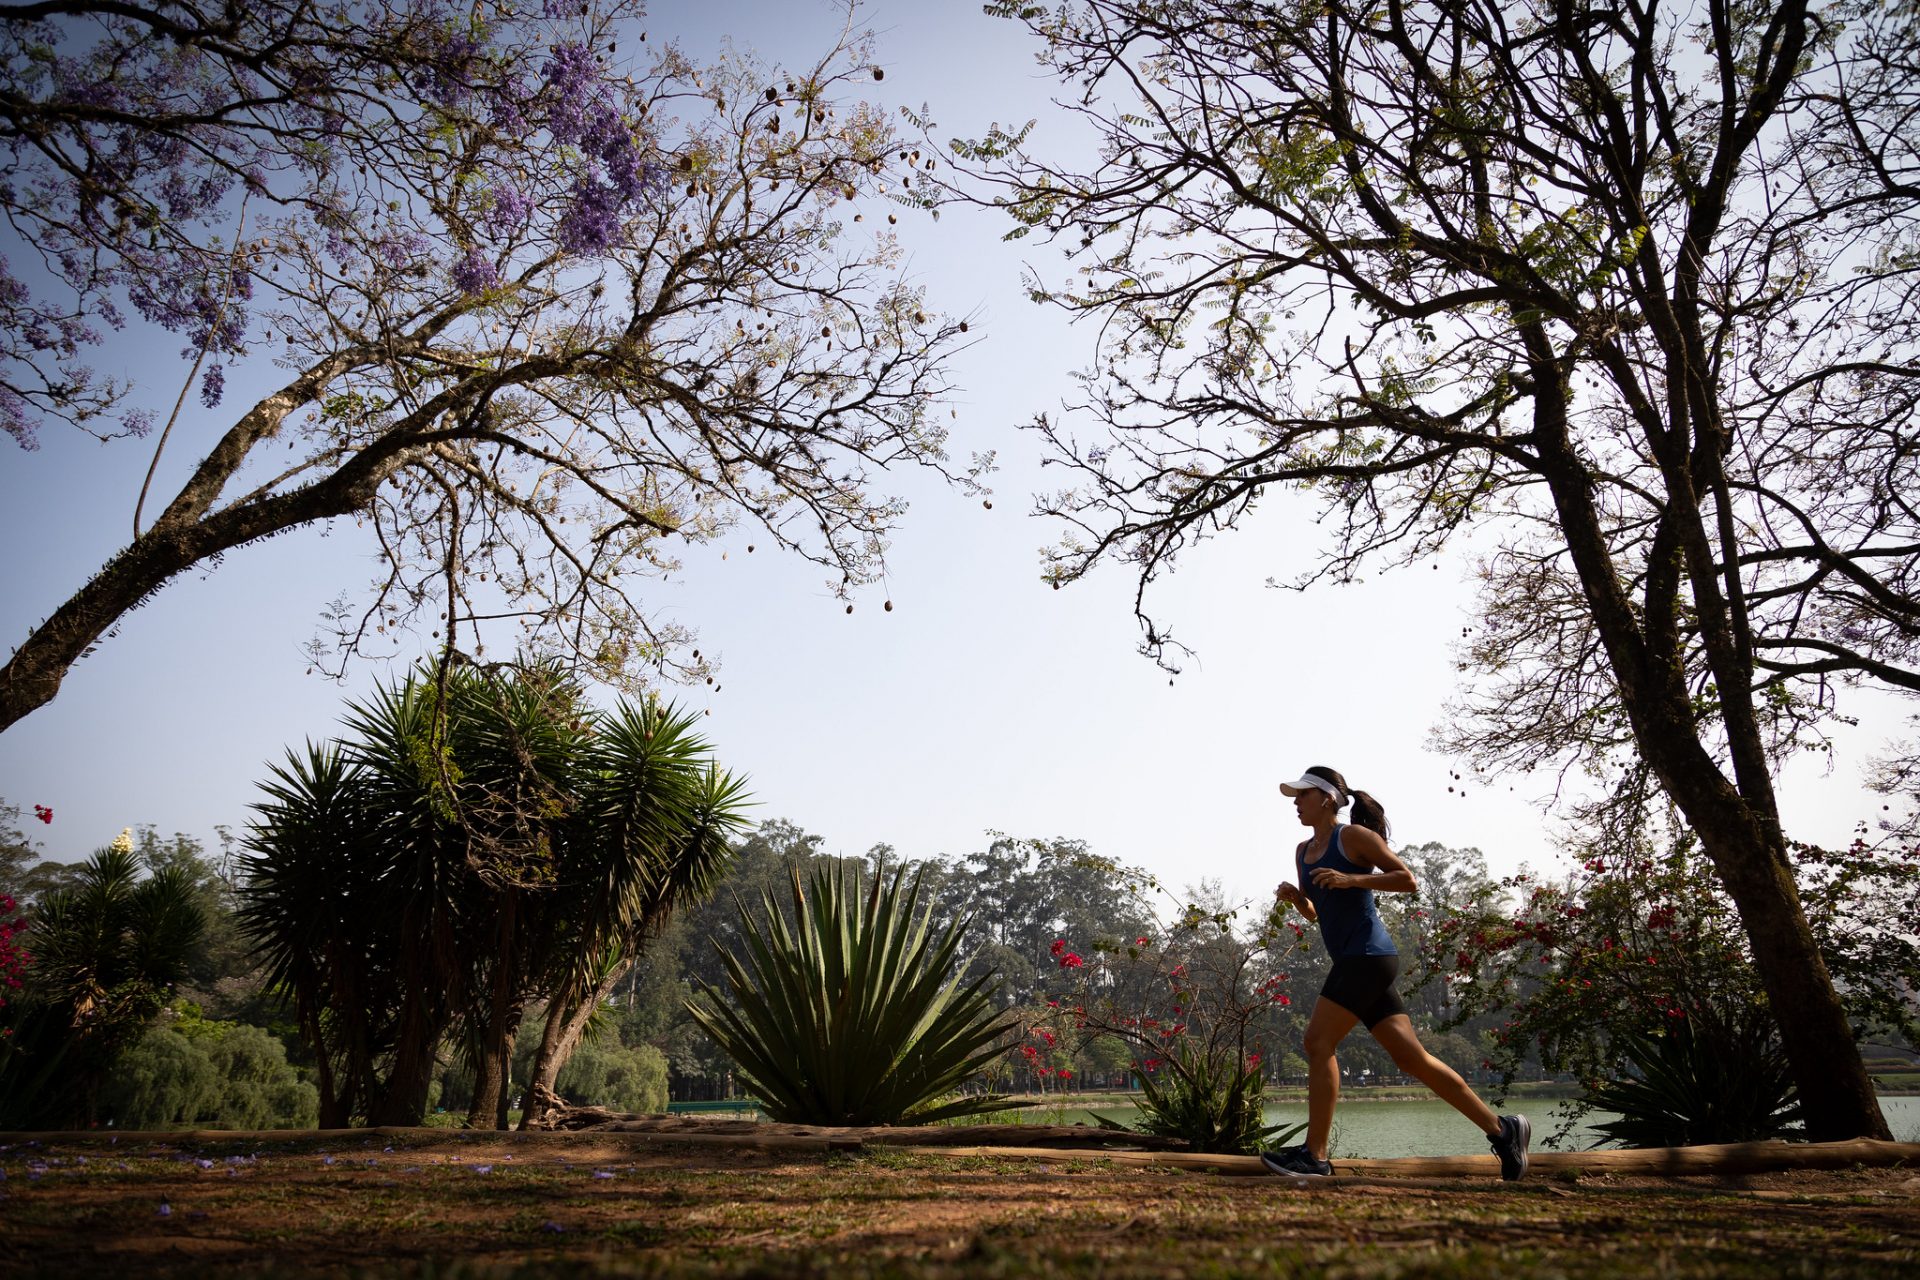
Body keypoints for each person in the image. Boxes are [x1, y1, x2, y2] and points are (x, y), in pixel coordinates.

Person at [1260, 765, 1531, 1180]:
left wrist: (1351, 880)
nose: (1295, 803)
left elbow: (1408, 880)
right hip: (1355, 960)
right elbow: (1317, 912)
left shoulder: (1352, 837)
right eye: (1294, 797)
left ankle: (1314, 1156)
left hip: (1368, 956)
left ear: (1327, 799)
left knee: (1317, 1041)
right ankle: (1503, 1130)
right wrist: (1297, 899)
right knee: (1412, 1059)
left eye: (1302, 795)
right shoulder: (1302, 851)